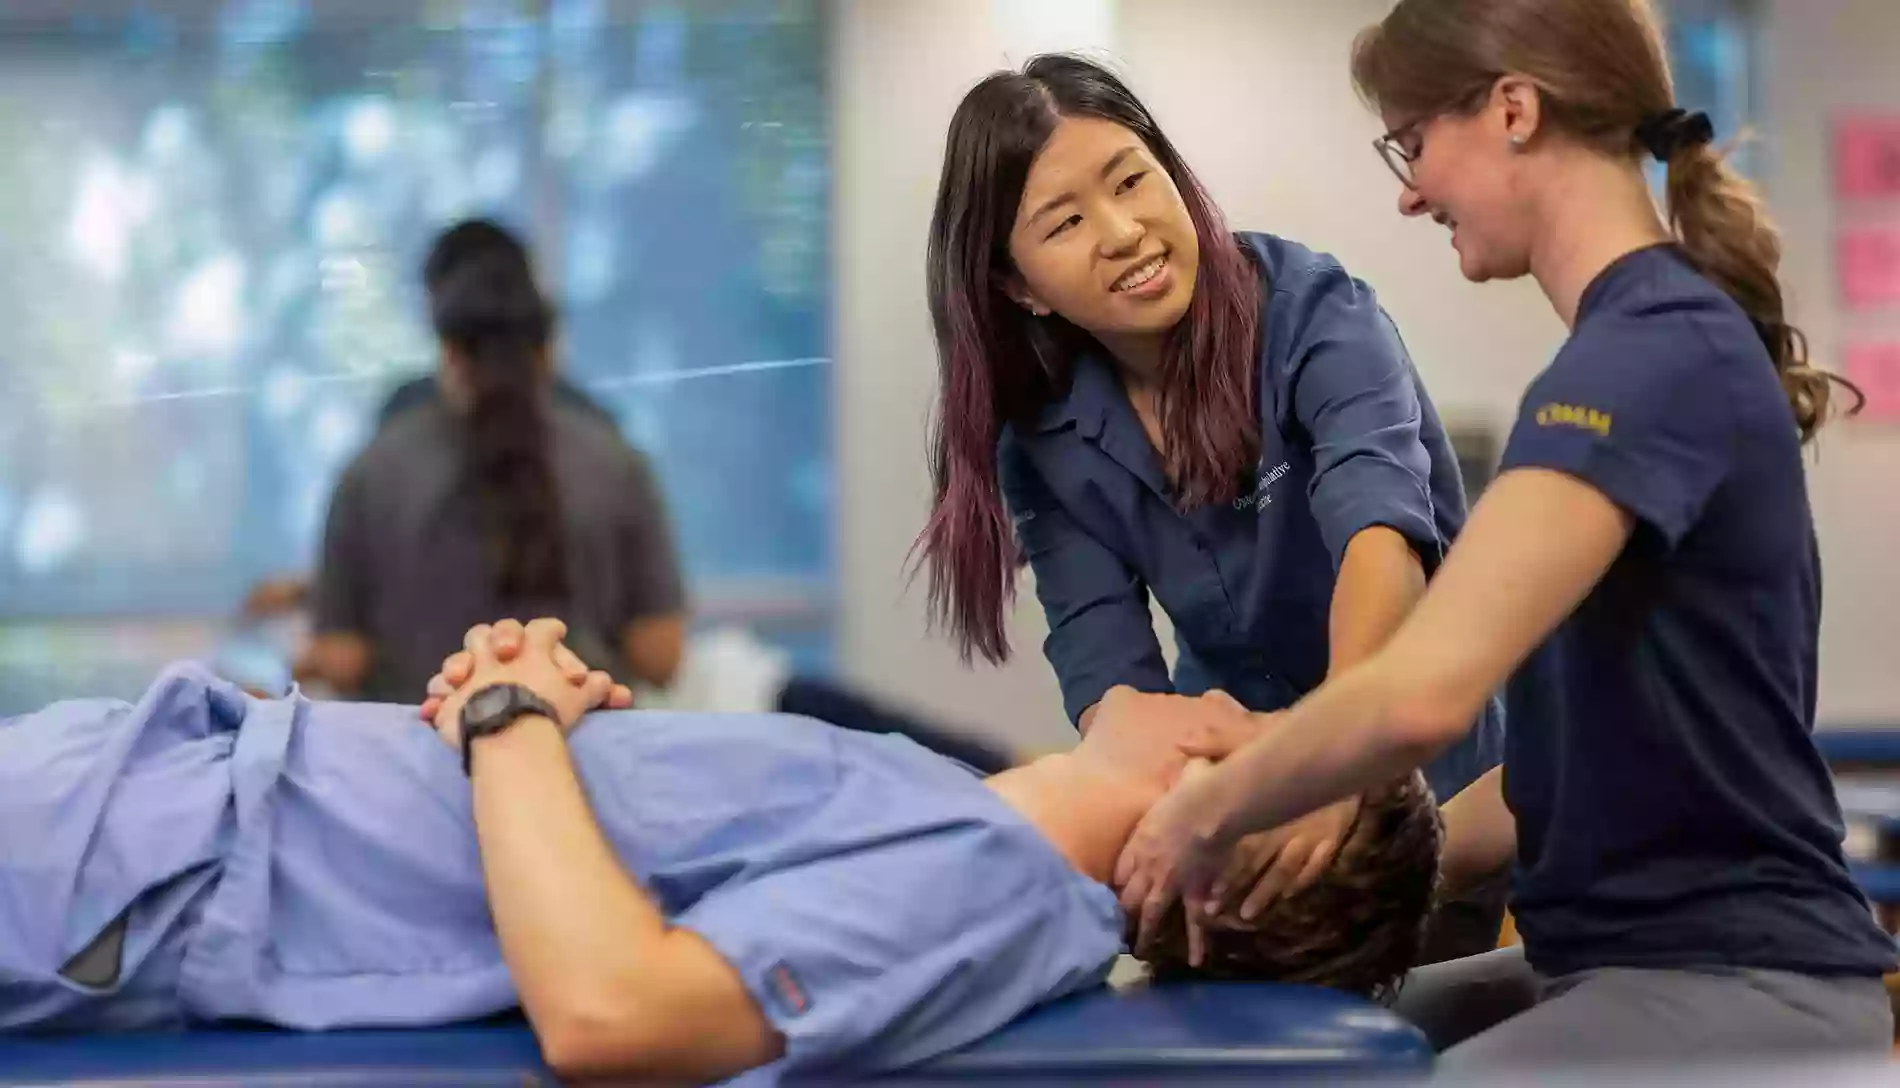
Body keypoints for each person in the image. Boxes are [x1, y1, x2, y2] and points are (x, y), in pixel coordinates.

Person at [1112, 0, 1895, 1069]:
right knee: (1287, 1055)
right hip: (1615, 964)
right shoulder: (1628, 354)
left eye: (1414, 143)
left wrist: (1202, 819)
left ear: (1514, 110)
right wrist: (1342, 852)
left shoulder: (1647, 358)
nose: (1407, 190)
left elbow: (1424, 694)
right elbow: (1549, 778)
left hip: (1737, 979)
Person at [0, 620, 1440, 1086]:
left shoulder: (986, 892)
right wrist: (515, 696)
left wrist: (511, 714)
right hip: (165, 791)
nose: (1217, 703)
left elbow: (615, 1014)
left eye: (1262, 741)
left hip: (142, 858)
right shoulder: (959, 814)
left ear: (1221, 852)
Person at [913, 52, 1505, 959]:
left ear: (1173, 177)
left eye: (1131, 182)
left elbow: (1378, 547)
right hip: (1231, 786)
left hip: (1411, 769)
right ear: (1018, 285)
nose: (1122, 232)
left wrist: (1330, 768)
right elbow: (1112, 679)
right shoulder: (1044, 443)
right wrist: (1175, 823)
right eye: (1065, 222)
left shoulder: (1316, 314)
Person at [300, 219, 687, 702]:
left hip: (421, 760)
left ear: (447, 350)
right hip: (584, 761)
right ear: (547, 350)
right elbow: (661, 653)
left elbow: (341, 657)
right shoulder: (617, 464)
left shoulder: (371, 470)